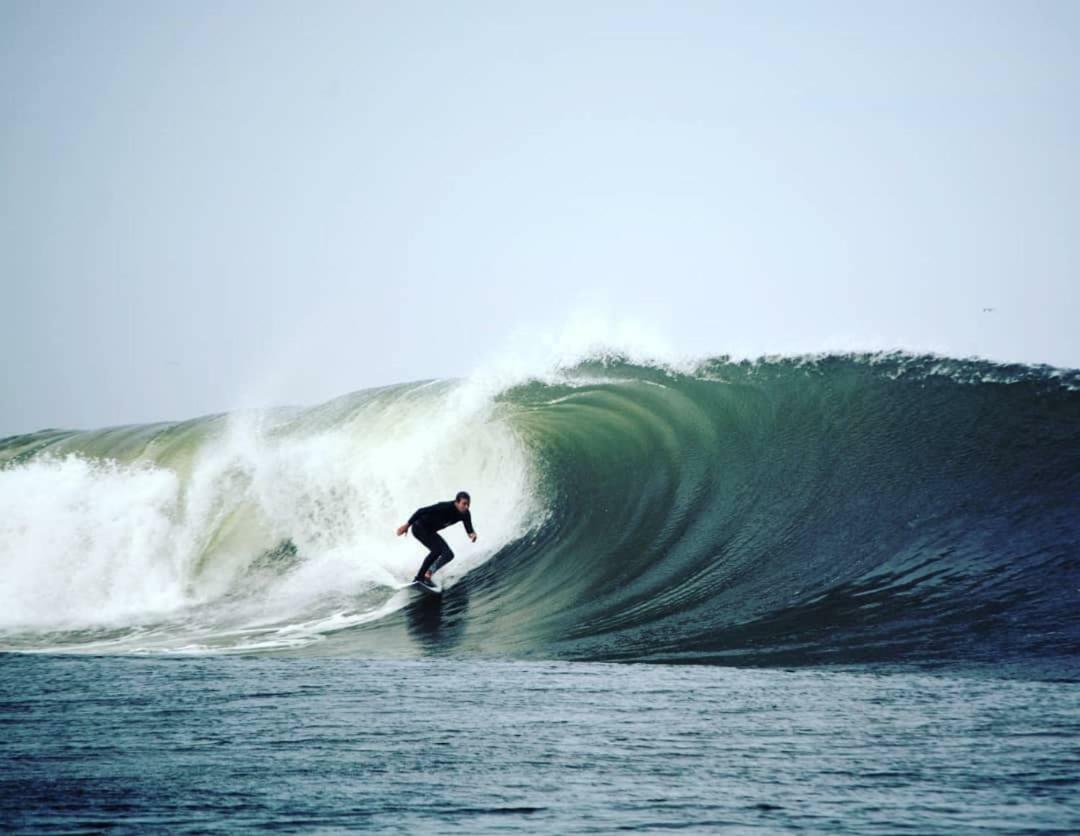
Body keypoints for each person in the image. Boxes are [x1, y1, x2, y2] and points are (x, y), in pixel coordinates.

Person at [397, 491, 477, 587]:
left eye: (468, 504)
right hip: (419, 527)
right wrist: (407, 525)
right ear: (456, 502)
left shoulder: (465, 514)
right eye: (464, 504)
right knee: (436, 550)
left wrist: (472, 534)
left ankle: (425, 575)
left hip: (430, 531)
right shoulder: (445, 507)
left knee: (448, 554)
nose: (466, 506)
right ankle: (421, 577)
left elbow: (469, 528)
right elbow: (421, 511)